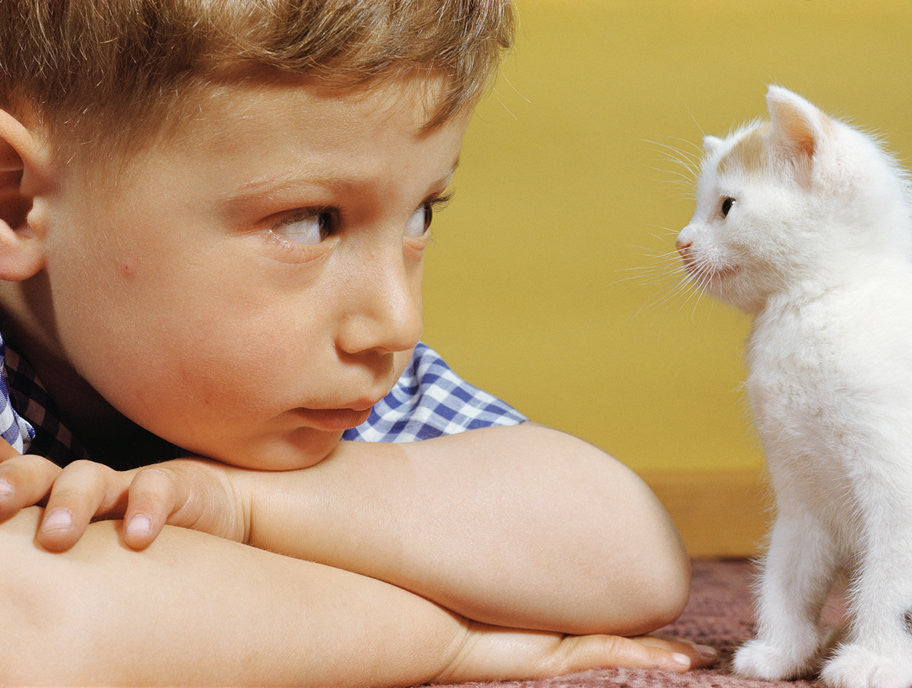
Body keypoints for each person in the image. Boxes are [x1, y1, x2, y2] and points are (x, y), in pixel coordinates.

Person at [0, 1, 715, 684]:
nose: (396, 323)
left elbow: (630, 558)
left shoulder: (315, 387)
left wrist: (239, 504)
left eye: (420, 215)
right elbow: (29, 624)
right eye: (311, 222)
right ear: (15, 200)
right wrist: (444, 639)